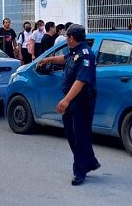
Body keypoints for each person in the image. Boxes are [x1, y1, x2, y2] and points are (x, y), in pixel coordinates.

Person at [38, 24, 99, 186]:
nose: (66, 39)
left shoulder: (86, 55)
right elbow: (66, 59)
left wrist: (66, 100)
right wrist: (49, 59)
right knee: (72, 134)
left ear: (71, 38)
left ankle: (80, 172)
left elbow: (82, 80)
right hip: (73, 100)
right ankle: (90, 162)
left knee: (79, 136)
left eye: (67, 37)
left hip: (81, 101)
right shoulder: (75, 52)